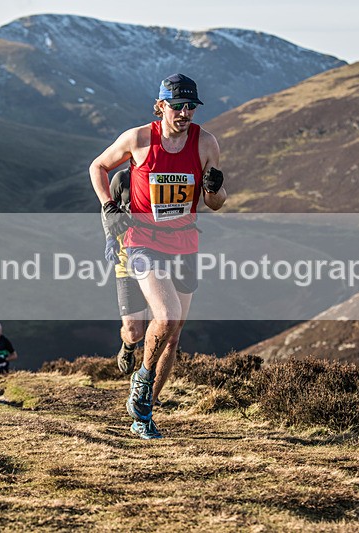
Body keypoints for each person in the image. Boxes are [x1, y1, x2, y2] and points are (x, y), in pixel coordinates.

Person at [90, 73, 227, 439]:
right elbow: (98, 167)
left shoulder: (206, 143)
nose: (185, 113)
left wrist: (215, 191)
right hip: (141, 240)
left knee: (174, 335)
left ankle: (144, 414)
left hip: (185, 244)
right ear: (161, 105)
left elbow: (215, 202)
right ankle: (143, 378)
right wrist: (108, 206)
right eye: (178, 106)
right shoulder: (138, 139)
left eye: (191, 107)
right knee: (165, 316)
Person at [102, 168, 147, 376]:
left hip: (160, 258)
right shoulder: (122, 178)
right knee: (133, 330)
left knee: (163, 322)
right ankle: (128, 348)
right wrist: (110, 237)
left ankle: (148, 384)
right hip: (125, 261)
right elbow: (107, 209)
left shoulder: (165, 171)